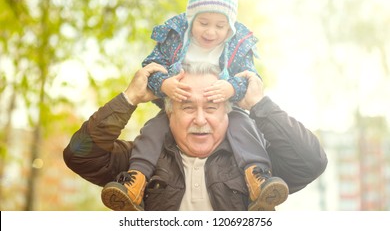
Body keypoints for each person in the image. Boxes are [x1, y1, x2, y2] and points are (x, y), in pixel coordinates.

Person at [100, 0, 288, 211]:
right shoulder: (175, 37)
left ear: (229, 27)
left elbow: (250, 78)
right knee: (153, 130)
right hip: (178, 106)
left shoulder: (237, 46)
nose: (211, 32)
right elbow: (152, 64)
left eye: (220, 26)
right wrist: (164, 84)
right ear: (191, 19)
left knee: (243, 126)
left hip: (224, 108)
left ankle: (256, 177)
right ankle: (136, 181)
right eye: (203, 23)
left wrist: (231, 87)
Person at [63, 62, 328, 211]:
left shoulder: (257, 167)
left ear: (228, 113)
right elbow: (79, 154)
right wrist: (129, 99)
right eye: (187, 107)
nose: (200, 119)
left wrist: (260, 105)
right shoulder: (140, 162)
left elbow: (311, 161)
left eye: (211, 107)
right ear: (169, 114)